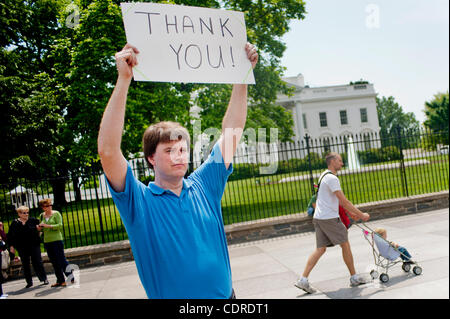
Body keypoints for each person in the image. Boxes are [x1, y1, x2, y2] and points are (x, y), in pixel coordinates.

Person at [98, 42, 258, 299]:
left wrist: (242, 75)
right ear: (151, 158)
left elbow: (233, 131)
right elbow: (107, 151)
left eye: (182, 149)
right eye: (169, 150)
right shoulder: (139, 202)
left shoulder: (205, 184)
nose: (179, 156)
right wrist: (123, 80)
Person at [295, 152, 371, 294]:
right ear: (333, 161)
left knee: (320, 249)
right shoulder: (332, 178)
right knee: (345, 244)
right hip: (329, 218)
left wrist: (350, 213)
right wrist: (362, 215)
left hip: (319, 218)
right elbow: (344, 200)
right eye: (340, 161)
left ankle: (303, 280)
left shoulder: (323, 175)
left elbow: (332, 200)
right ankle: (354, 277)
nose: (342, 164)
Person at [7, 206, 48, 288]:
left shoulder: (33, 220)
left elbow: (41, 229)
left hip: (34, 244)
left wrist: (39, 231)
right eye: (24, 213)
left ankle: (43, 278)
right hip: (22, 246)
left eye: (27, 212)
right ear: (19, 214)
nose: (26, 214)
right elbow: (11, 236)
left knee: (37, 261)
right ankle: (29, 281)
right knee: (25, 264)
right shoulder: (15, 223)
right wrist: (11, 246)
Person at [38, 198, 73, 287]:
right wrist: (39, 229)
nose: (49, 207)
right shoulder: (42, 216)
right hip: (47, 241)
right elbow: (41, 229)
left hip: (57, 240)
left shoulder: (56, 214)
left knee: (61, 260)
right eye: (47, 206)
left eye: (50, 205)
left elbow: (59, 226)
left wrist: (48, 226)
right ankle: (60, 280)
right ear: (43, 207)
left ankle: (70, 277)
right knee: (54, 261)